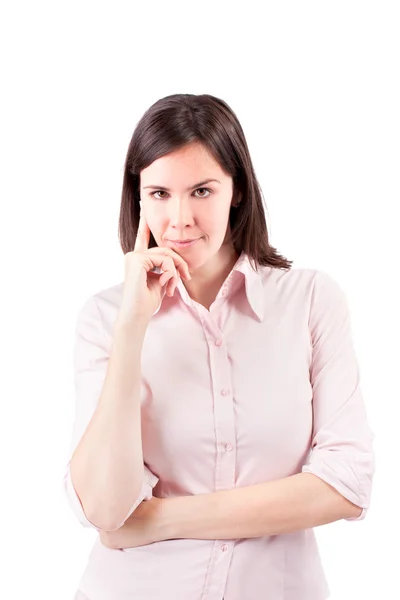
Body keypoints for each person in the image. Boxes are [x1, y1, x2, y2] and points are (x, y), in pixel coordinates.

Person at [63, 93, 375, 600]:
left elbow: (346, 484)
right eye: (159, 193)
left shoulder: (311, 301)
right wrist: (131, 330)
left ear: (236, 190)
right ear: (137, 199)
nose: (180, 218)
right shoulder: (105, 320)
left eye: (201, 190)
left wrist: (156, 520)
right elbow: (104, 508)